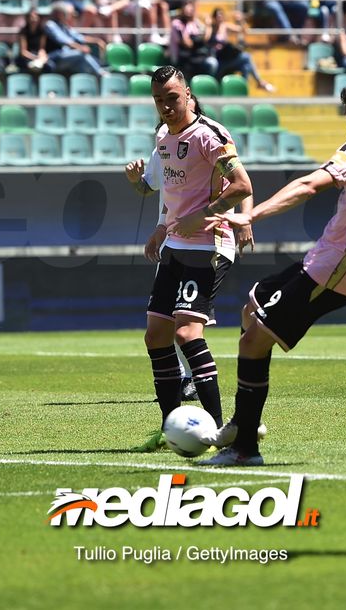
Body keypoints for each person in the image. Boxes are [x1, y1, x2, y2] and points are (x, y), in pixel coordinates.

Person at [197, 78, 346, 466]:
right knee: (252, 307)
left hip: (332, 272)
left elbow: (307, 185)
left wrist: (252, 213)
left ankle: (245, 448)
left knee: (252, 342)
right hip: (327, 265)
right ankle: (243, 421)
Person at [123, 65, 253, 452]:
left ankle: (217, 433)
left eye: (172, 98)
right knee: (156, 335)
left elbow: (243, 185)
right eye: (159, 100)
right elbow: (164, 192)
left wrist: (208, 212)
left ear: (188, 94)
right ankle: (170, 429)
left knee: (186, 333)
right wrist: (160, 223)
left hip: (208, 244)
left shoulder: (210, 135)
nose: (165, 106)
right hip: (176, 247)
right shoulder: (163, 136)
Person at [207, 7, 276, 92]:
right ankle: (259, 82)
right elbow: (206, 39)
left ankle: (242, 91)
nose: (219, 18)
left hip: (226, 57)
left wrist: (241, 20)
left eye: (221, 15)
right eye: (217, 16)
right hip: (218, 59)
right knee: (246, 57)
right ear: (214, 17)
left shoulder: (225, 26)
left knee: (246, 67)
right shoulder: (210, 28)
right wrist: (209, 26)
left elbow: (244, 31)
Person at [44, 2, 107, 76]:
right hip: (54, 58)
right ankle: (101, 74)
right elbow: (63, 40)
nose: (66, 16)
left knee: (82, 62)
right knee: (81, 53)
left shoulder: (64, 26)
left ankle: (90, 81)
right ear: (58, 14)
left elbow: (79, 37)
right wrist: (80, 48)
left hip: (67, 56)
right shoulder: (50, 25)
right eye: (64, 14)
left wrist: (97, 41)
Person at [17, 7, 48, 71]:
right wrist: (34, 58)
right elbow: (23, 52)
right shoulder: (23, 32)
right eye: (32, 17)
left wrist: (42, 56)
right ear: (27, 18)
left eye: (36, 17)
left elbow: (42, 49)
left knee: (49, 66)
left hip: (37, 56)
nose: (34, 19)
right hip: (26, 57)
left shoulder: (42, 31)